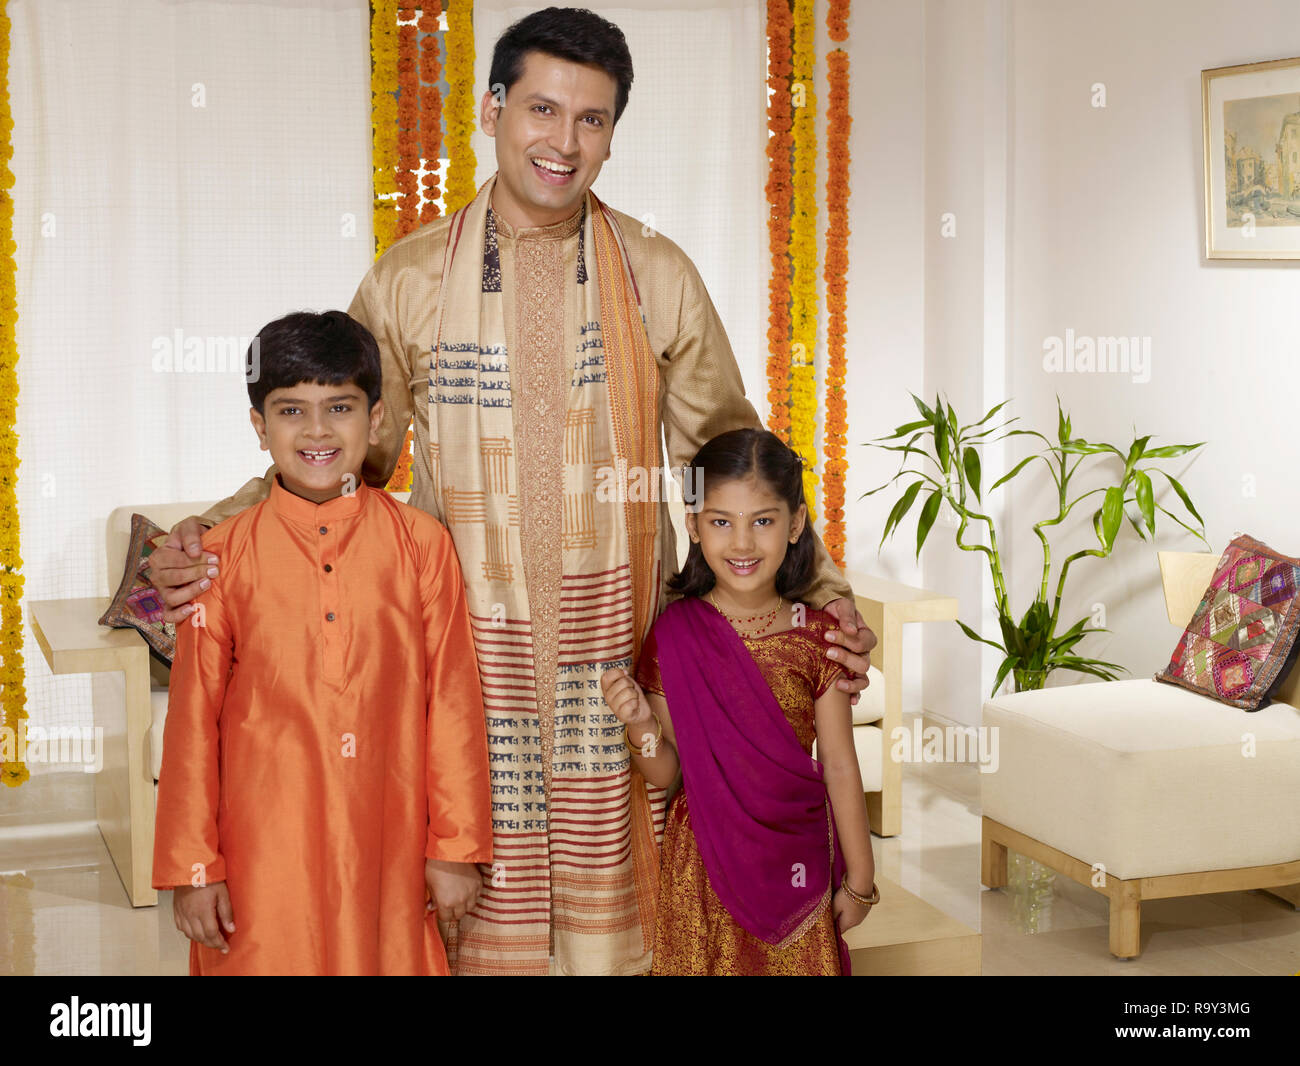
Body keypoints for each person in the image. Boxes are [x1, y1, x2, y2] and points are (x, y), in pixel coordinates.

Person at [147, 7, 876, 976]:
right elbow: (344, 456)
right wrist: (213, 532)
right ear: (492, 111)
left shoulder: (655, 274)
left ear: (613, 132)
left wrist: (822, 595)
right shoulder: (410, 278)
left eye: (591, 120)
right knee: (462, 871)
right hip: (458, 640)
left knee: (614, 883)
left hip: (613, 637)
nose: (563, 141)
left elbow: (726, 456)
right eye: (541, 109)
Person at [151, 311, 493, 975]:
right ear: (260, 427)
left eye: (339, 407)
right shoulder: (221, 557)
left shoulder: (421, 546)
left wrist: (455, 847)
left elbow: (452, 702)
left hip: (388, 845)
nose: (316, 431)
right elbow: (191, 724)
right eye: (290, 411)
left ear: (376, 417)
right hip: (260, 852)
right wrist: (194, 869)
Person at [601, 428, 877, 975]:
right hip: (702, 868)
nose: (743, 544)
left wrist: (861, 881)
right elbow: (666, 773)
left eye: (764, 521)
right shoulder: (675, 635)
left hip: (797, 861)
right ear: (694, 527)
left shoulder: (819, 638)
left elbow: (841, 766)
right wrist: (639, 726)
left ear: (796, 524)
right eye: (721, 522)